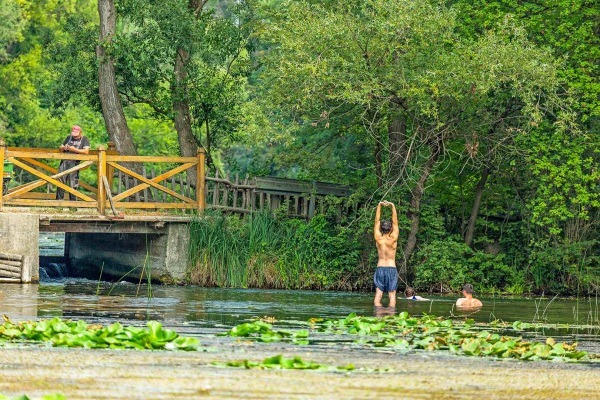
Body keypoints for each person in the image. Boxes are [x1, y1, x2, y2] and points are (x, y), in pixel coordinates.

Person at [373, 200, 399, 308]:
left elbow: (376, 221)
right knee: (392, 296)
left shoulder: (378, 238)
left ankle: (378, 316)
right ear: (391, 229)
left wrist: (379, 205)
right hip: (391, 269)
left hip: (380, 268)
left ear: (380, 228)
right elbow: (395, 221)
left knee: (378, 295)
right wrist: (392, 206)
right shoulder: (393, 238)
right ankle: (390, 317)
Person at [57, 125, 90, 201]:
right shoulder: (68, 138)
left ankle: (73, 205)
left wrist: (74, 149)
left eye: (76, 134)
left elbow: (86, 151)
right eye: (73, 133)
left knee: (73, 184)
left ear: (80, 133)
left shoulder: (84, 139)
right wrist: (63, 147)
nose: (74, 136)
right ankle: (59, 203)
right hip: (64, 162)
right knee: (60, 181)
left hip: (75, 163)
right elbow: (60, 149)